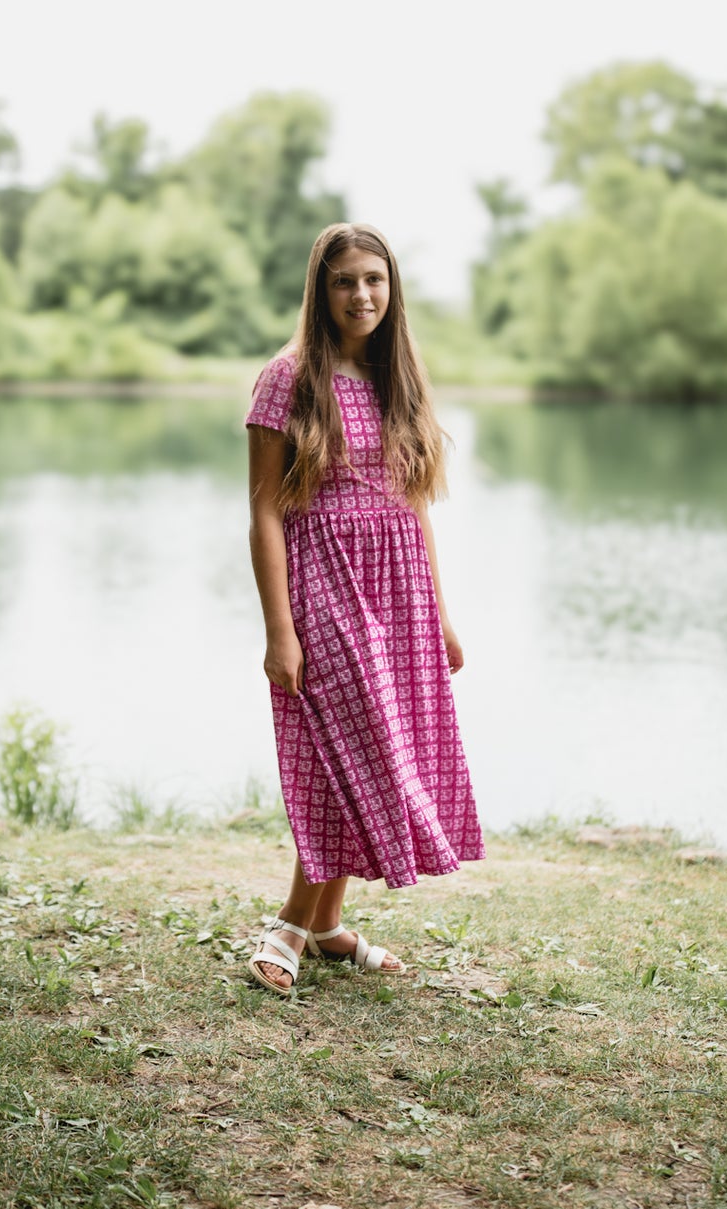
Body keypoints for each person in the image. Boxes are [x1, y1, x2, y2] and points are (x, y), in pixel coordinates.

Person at [242, 221, 483, 996]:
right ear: (321, 289)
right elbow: (266, 513)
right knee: (350, 747)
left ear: (393, 288)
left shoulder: (396, 378)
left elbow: (416, 508)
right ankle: (289, 923)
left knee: (371, 751)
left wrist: (440, 613)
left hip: (399, 589)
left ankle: (323, 923)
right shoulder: (287, 378)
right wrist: (280, 628)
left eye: (374, 279)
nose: (362, 294)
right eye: (345, 280)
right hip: (326, 579)